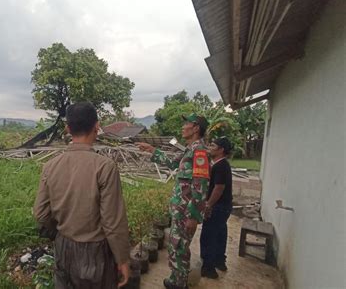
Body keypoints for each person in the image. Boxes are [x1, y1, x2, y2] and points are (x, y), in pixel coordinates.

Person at [33, 102, 130, 289]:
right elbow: (112, 222)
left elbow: (40, 213)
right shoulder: (104, 167)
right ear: (97, 126)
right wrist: (122, 259)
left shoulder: (50, 166)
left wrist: (59, 232)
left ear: (68, 128)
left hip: (63, 247)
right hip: (95, 254)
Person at [137, 113, 210, 289]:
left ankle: (179, 284)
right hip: (180, 210)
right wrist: (152, 150)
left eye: (186, 124)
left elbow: (200, 187)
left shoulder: (199, 152)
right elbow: (171, 163)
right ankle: (176, 279)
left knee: (180, 248)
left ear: (195, 128)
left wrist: (194, 216)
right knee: (177, 246)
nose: (182, 127)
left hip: (187, 213)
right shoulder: (189, 150)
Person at [200, 137, 233, 279]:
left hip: (218, 207)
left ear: (221, 150)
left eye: (213, 145)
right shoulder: (221, 164)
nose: (210, 147)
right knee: (220, 234)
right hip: (224, 206)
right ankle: (220, 261)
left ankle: (208, 268)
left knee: (209, 236)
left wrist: (208, 205)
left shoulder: (220, 166)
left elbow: (219, 188)